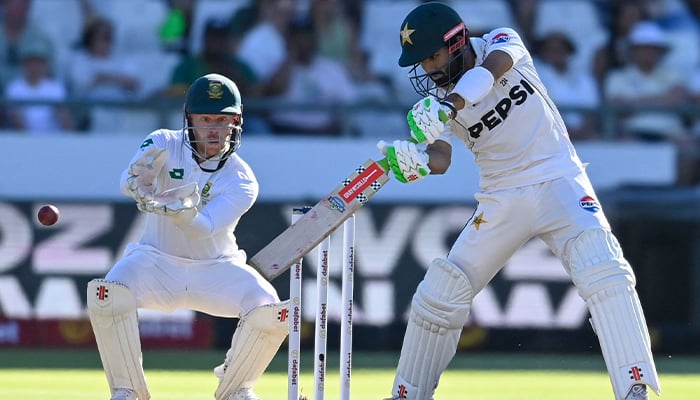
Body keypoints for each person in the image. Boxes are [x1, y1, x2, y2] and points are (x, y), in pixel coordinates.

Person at [377, 3, 660, 400]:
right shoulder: (436, 103)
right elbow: (441, 159)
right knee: (439, 295)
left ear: (457, 42)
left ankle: (635, 390)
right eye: (421, 61)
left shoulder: (499, 40)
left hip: (559, 178)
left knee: (605, 271)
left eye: (432, 56)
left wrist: (448, 106)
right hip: (501, 197)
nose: (428, 68)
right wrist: (417, 163)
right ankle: (407, 395)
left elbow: (489, 71)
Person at [86, 73, 289, 400]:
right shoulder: (164, 141)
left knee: (270, 308)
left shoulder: (243, 180)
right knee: (108, 294)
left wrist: (177, 208)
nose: (214, 128)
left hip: (216, 269)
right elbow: (127, 178)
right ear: (188, 117)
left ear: (236, 122)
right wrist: (139, 182)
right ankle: (127, 390)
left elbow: (204, 227)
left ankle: (236, 387)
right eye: (205, 118)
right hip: (155, 262)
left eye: (222, 120)